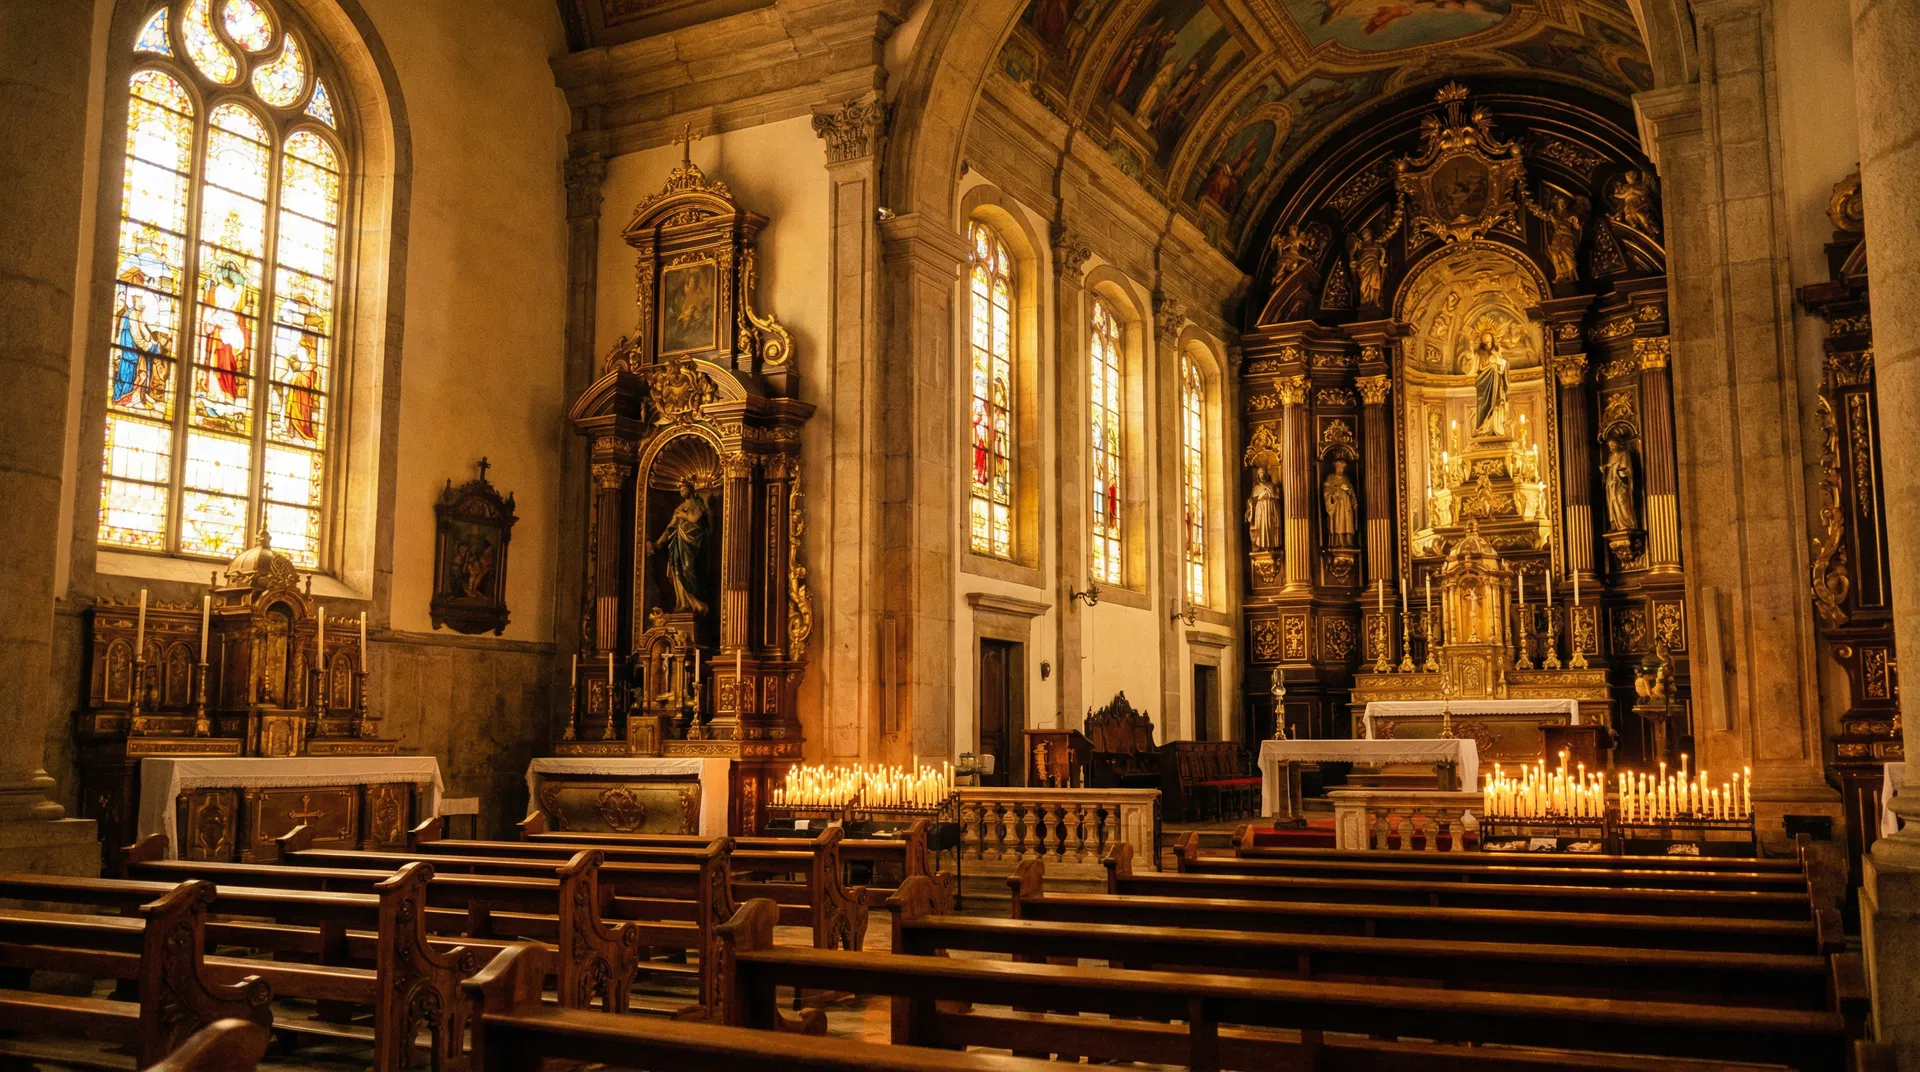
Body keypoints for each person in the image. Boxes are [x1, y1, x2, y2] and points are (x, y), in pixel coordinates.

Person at [653, 480, 710, 615]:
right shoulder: (679, 507)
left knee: (688, 569)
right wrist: (659, 541)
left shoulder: (698, 504)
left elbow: (694, 519)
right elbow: (670, 527)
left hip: (692, 543)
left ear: (691, 489)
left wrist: (683, 515)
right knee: (676, 569)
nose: (682, 491)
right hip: (678, 543)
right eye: (680, 490)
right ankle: (683, 602)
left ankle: (696, 602)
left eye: (684, 489)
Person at [1246, 467, 1282, 550]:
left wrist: (1270, 495)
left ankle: (1271, 545)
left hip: (1270, 507)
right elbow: (1251, 500)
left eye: (1262, 474)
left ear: (1265, 475)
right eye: (1260, 474)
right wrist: (1259, 497)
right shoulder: (1256, 488)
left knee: (1269, 525)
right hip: (1260, 508)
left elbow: (1277, 497)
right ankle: (1260, 545)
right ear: (1258, 476)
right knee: (1261, 526)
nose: (1261, 476)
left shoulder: (1271, 486)